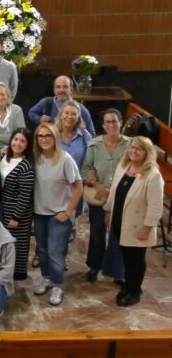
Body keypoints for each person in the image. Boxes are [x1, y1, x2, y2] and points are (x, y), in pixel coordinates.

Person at [104, 136, 164, 307]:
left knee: (135, 261)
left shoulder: (153, 176)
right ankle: (129, 285)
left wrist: (147, 228)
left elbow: (155, 208)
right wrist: (108, 210)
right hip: (120, 222)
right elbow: (114, 191)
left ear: (147, 152)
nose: (134, 151)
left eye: (139, 148)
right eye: (132, 147)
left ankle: (134, 292)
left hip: (138, 226)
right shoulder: (124, 166)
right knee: (126, 258)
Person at [32, 122, 83, 307]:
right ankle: (47, 278)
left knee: (55, 251)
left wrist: (68, 212)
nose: (44, 139)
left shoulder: (64, 159)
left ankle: (58, 285)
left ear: (55, 138)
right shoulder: (35, 157)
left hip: (59, 214)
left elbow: (78, 187)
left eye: (48, 136)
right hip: (39, 212)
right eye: (40, 136)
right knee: (43, 249)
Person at [81, 109, 130, 284]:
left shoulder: (130, 145)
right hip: (99, 197)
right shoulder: (94, 144)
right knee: (96, 233)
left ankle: (118, 272)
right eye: (107, 122)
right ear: (102, 125)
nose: (111, 125)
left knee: (118, 235)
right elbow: (85, 169)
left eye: (114, 121)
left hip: (122, 198)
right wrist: (95, 183)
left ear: (121, 122)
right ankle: (95, 265)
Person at [0, 128, 34, 281]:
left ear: (28, 145)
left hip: (18, 211)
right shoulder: (6, 157)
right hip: (4, 207)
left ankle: (17, 274)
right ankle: (5, 271)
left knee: (17, 243)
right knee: (5, 242)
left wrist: (16, 217)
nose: (17, 144)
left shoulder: (26, 166)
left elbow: (25, 195)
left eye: (22, 141)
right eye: (15, 139)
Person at [28, 75, 95, 136]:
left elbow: (91, 132)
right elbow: (31, 112)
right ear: (54, 90)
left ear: (71, 90)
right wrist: (39, 119)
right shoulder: (46, 102)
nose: (61, 90)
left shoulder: (81, 109)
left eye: (65, 87)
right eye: (58, 87)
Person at [57, 99, 91, 169]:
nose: (69, 117)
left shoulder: (85, 135)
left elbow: (90, 162)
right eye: (66, 113)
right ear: (61, 115)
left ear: (78, 118)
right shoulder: (52, 134)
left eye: (74, 114)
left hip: (79, 178)